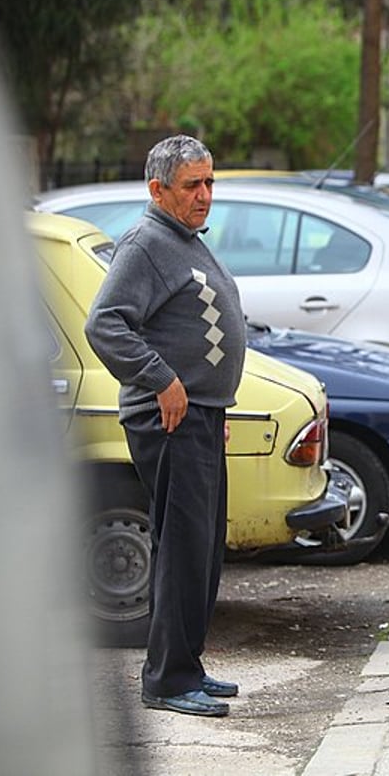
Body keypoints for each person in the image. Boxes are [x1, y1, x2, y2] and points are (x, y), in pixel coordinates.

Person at [85, 134, 246, 718]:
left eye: (210, 183)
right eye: (192, 186)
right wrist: (164, 381)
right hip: (168, 418)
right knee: (182, 547)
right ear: (158, 190)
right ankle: (168, 681)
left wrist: (212, 401)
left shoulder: (185, 239)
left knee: (201, 548)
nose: (205, 195)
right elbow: (106, 324)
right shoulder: (147, 243)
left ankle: (188, 665)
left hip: (200, 416)